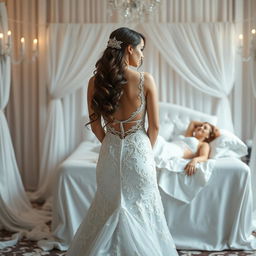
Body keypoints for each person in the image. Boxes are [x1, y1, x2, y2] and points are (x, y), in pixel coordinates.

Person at [66, 27, 178, 255]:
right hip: (139, 154)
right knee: (143, 212)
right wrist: (144, 150)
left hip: (110, 153)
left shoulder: (94, 82)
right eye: (141, 49)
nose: (142, 55)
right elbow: (154, 127)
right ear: (129, 49)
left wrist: (112, 143)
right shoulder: (146, 80)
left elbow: (96, 126)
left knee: (106, 207)